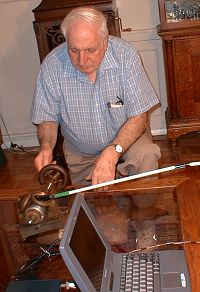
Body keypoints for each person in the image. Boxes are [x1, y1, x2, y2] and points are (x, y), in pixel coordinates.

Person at [31, 6, 161, 187]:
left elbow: (139, 118)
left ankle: (144, 209)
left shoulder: (126, 56)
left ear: (105, 42)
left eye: (90, 50)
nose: (82, 61)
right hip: (81, 152)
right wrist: (46, 146)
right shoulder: (52, 65)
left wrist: (112, 152)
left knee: (146, 157)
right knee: (99, 211)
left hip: (129, 141)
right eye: (74, 50)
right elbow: (47, 117)